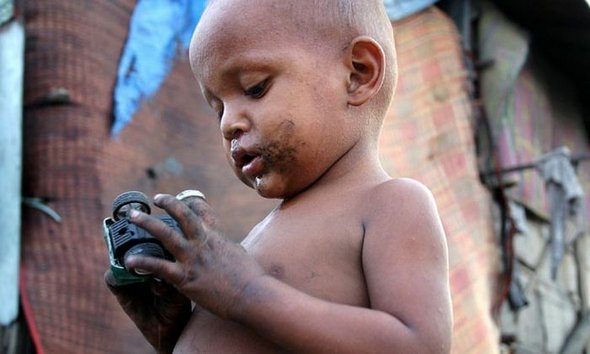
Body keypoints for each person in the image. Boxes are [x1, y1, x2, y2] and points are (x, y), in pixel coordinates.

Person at [105, 0, 453, 353]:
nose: (228, 124)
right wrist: (175, 333)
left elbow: (418, 346)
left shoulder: (392, 204)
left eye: (255, 88)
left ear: (357, 74)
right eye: (218, 109)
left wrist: (246, 292)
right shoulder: (263, 236)